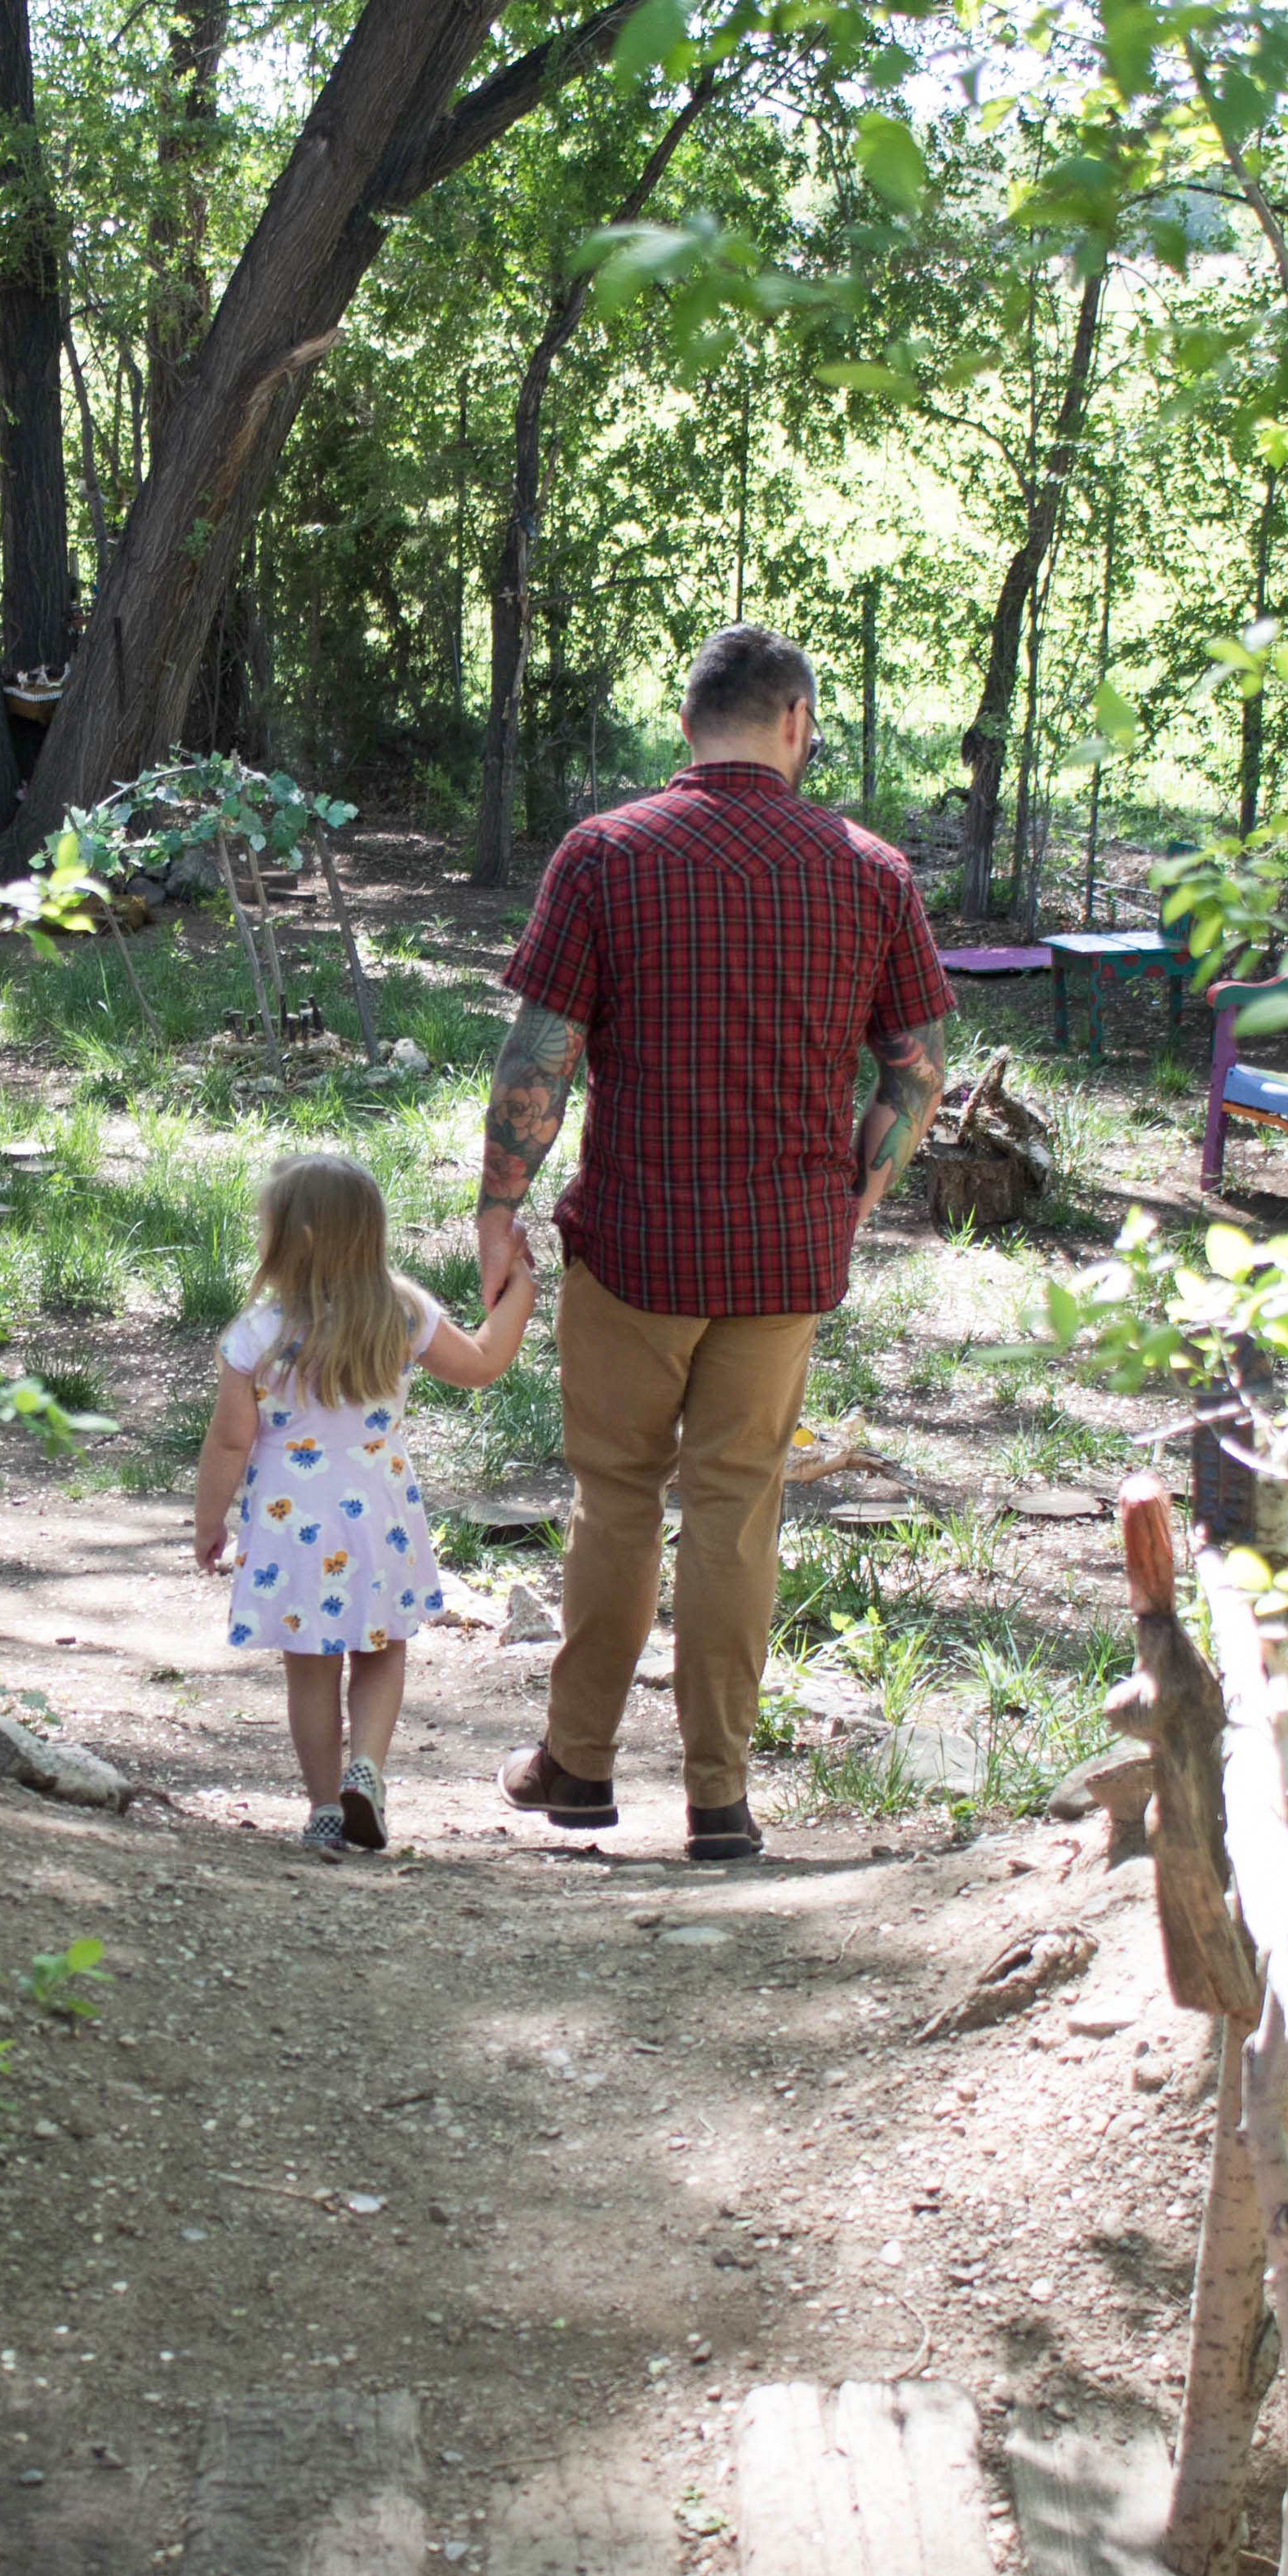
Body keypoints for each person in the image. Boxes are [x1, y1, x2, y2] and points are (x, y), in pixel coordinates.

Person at [475, 625, 948, 1863]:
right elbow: (917, 1064)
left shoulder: (606, 856)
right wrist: (856, 1196)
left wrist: (497, 1204)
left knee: (616, 1500)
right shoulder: (871, 872)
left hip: (634, 1242)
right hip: (782, 1256)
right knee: (739, 1512)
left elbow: (542, 1052)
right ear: (796, 722)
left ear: (686, 725)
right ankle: (720, 1800)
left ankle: (577, 1769)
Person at [196, 1148, 536, 1855]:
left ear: (290, 1237)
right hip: (379, 1514)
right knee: (381, 1650)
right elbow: (481, 1363)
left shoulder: (257, 1331)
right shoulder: (401, 1310)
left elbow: (231, 1442)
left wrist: (209, 1523)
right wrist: (521, 1293)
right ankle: (367, 1770)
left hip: (292, 1528)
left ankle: (324, 1806)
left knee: (310, 1666)